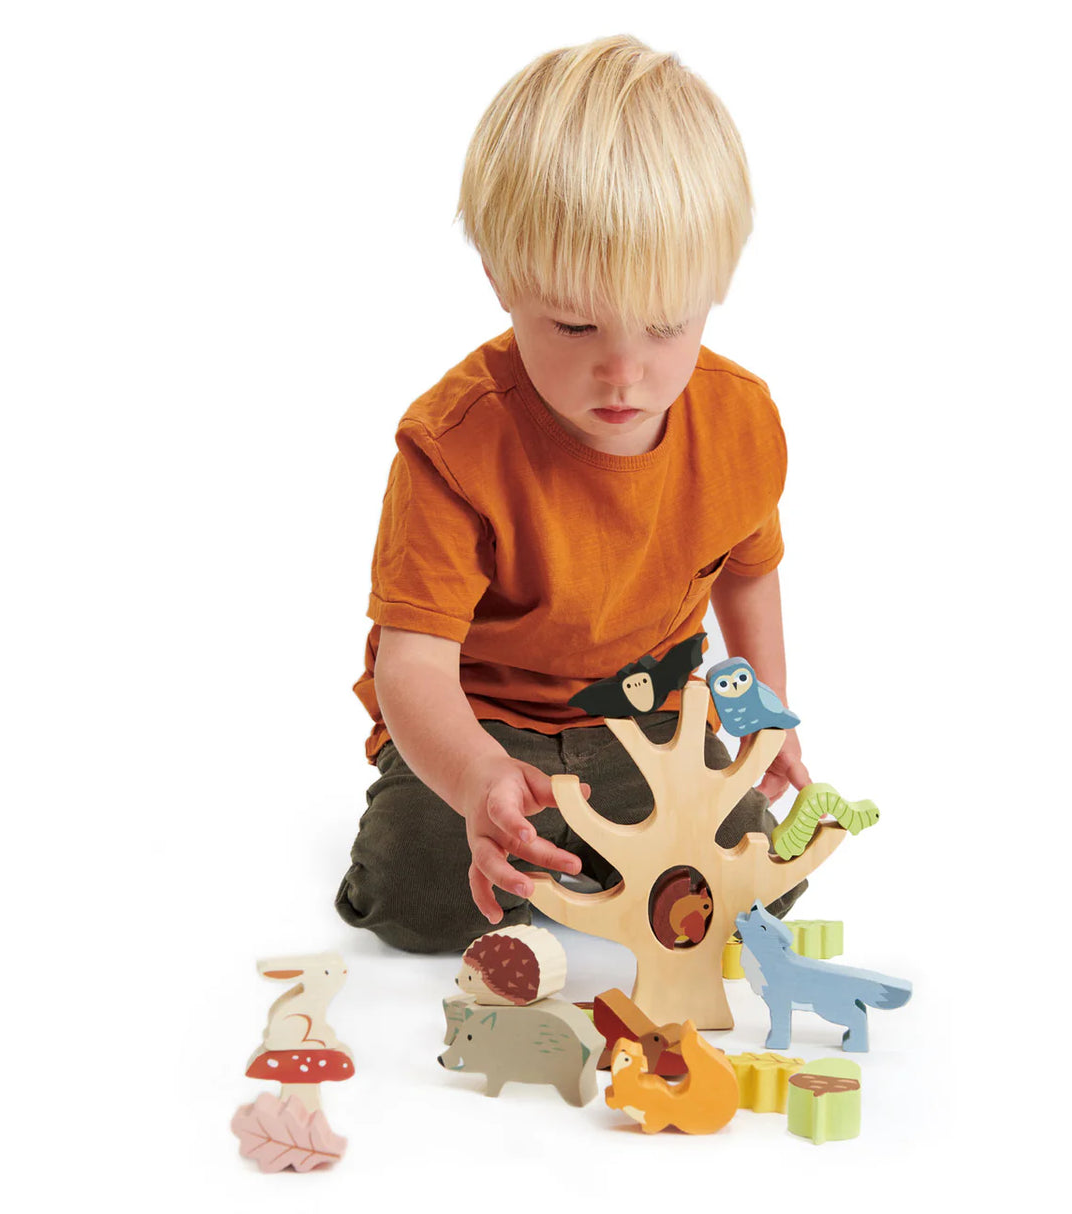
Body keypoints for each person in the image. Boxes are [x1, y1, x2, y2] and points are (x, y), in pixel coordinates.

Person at [335, 34, 812, 954]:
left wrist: (763, 712)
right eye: (575, 324)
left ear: (715, 288)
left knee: (760, 877)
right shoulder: (451, 445)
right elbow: (412, 669)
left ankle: (591, 855)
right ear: (502, 281)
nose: (624, 373)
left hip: (647, 725)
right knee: (414, 897)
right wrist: (476, 777)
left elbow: (749, 572)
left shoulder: (741, 420)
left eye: (666, 324)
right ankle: (548, 848)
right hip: (483, 725)